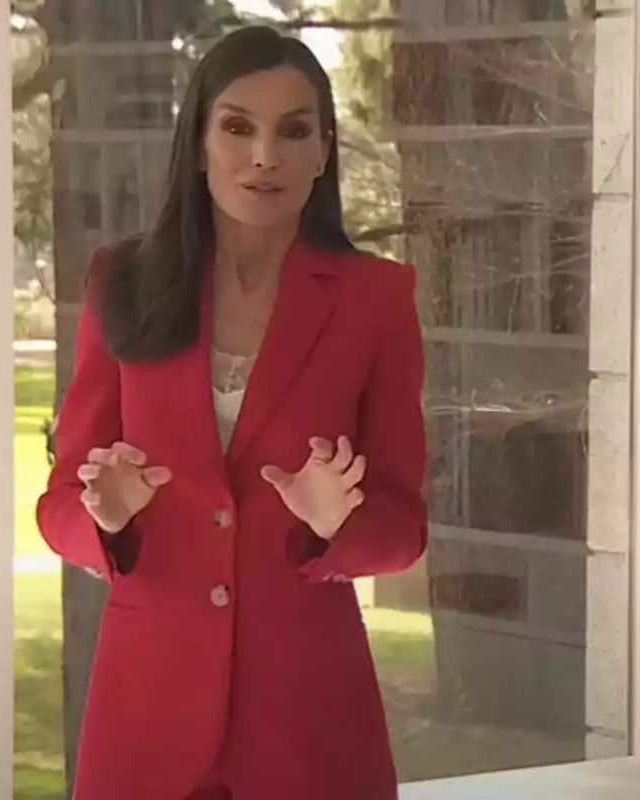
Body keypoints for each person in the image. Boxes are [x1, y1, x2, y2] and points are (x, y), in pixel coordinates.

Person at [36, 24, 427, 800]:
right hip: (144, 720)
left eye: (294, 132)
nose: (264, 156)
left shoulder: (376, 300)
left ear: (324, 152)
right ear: (198, 144)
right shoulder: (123, 283)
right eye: (238, 127)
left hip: (310, 723)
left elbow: (403, 531)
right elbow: (58, 510)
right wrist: (104, 519)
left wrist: (332, 524)